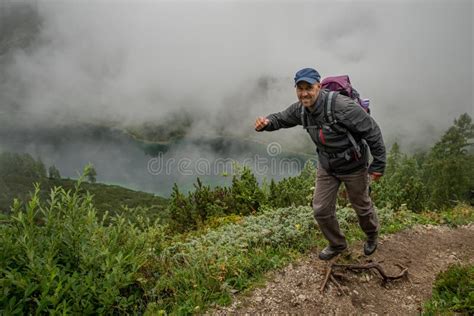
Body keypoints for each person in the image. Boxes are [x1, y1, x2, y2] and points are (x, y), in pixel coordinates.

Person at [255, 68, 386, 260]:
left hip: (354, 166)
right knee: (321, 210)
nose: (304, 93)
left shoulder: (342, 107)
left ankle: (372, 235)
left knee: (362, 207)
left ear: (318, 86)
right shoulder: (301, 109)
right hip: (327, 165)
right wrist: (266, 123)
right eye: (300, 88)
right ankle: (337, 245)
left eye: (309, 87)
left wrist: (378, 165)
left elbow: (372, 131)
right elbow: (281, 118)